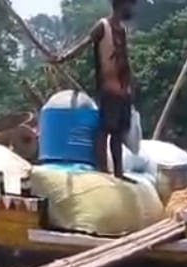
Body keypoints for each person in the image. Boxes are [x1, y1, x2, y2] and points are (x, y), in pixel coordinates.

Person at [49, 0, 136, 180]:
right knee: (105, 129)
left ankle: (119, 173)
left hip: (122, 90)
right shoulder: (103, 26)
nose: (132, 8)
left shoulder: (122, 30)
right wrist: (64, 58)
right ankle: (103, 168)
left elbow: (124, 59)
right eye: (130, 4)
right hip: (109, 87)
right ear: (121, 4)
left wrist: (129, 86)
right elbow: (84, 44)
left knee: (118, 133)